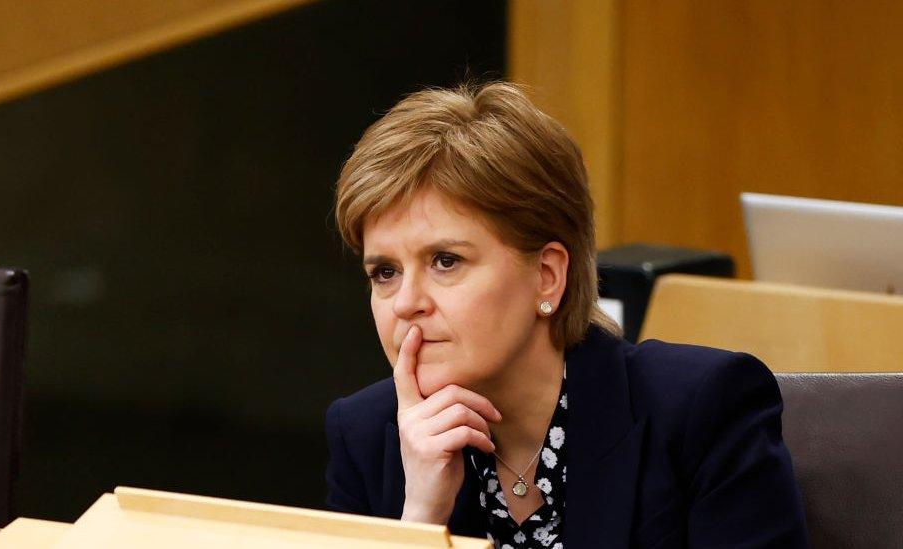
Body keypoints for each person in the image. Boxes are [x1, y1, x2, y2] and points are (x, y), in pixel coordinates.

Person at [324, 81, 808, 548]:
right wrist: (421, 524)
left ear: (548, 276)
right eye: (385, 272)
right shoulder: (367, 436)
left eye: (445, 261)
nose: (407, 301)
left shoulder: (701, 411)